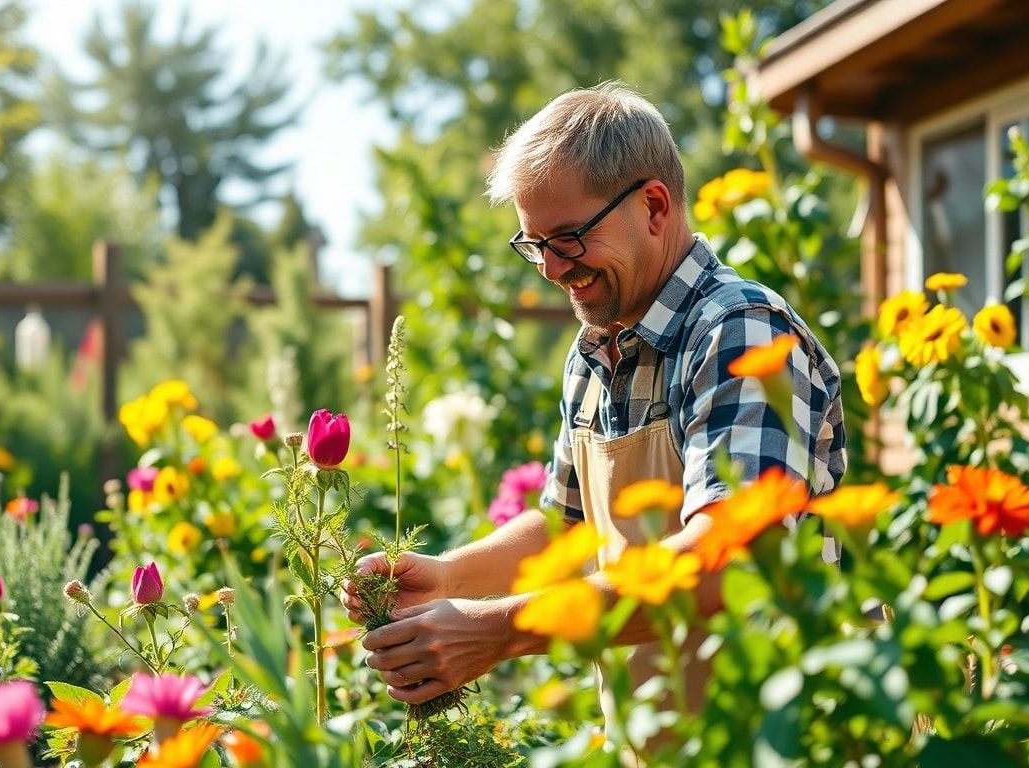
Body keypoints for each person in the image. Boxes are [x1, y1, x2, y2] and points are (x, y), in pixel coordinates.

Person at [341, 82, 846, 738]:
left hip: (781, 738)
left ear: (655, 207)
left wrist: (499, 631)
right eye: (533, 244)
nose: (551, 269)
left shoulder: (738, 331)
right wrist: (447, 577)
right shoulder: (595, 352)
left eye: (569, 237)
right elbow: (571, 530)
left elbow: (731, 559)